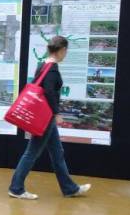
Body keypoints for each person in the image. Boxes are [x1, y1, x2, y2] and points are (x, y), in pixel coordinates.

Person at [8, 35, 91, 200]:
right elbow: (49, 92)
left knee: (57, 152)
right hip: (45, 117)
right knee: (31, 152)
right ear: (62, 50)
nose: (65, 54)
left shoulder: (43, 65)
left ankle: (69, 188)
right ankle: (16, 188)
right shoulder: (52, 69)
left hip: (45, 116)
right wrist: (56, 113)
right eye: (66, 51)